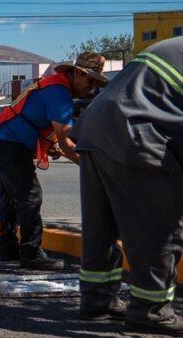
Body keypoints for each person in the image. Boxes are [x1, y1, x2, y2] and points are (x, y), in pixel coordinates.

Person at [71, 37, 183, 334]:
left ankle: (98, 300)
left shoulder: (174, 45)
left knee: (102, 225)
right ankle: (152, 310)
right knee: (159, 228)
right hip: (136, 132)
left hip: (96, 128)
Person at [0, 51, 108, 270]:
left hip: (3, 137)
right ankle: (32, 254)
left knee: (12, 197)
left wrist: (50, 145)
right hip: (9, 141)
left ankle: (8, 249)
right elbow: (66, 142)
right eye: (91, 80)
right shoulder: (59, 92)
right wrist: (91, 166)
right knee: (30, 196)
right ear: (78, 73)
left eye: (96, 82)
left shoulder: (56, 86)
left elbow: (45, 125)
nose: (92, 86)